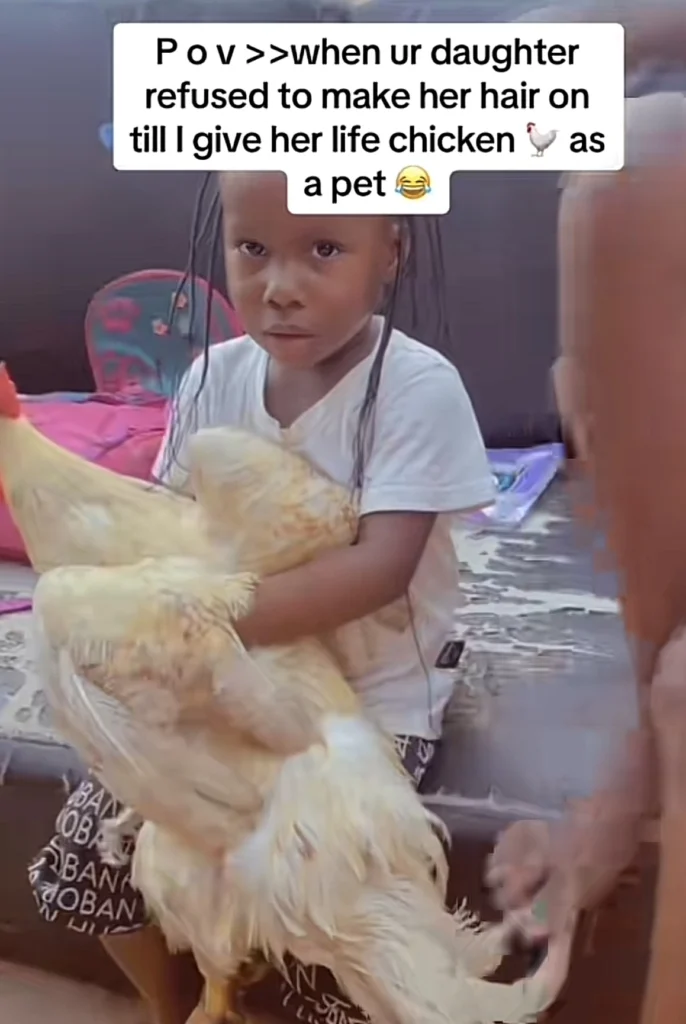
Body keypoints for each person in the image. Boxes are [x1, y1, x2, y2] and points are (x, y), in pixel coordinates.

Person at [28, 169, 495, 1024]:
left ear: (390, 248)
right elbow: (174, 529)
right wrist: (134, 621)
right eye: (253, 250)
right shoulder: (214, 377)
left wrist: (182, 626)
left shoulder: (416, 390)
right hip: (224, 684)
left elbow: (376, 571)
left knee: (334, 933)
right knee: (85, 865)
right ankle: (184, 1010)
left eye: (324, 249)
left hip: (364, 703)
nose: (280, 288)